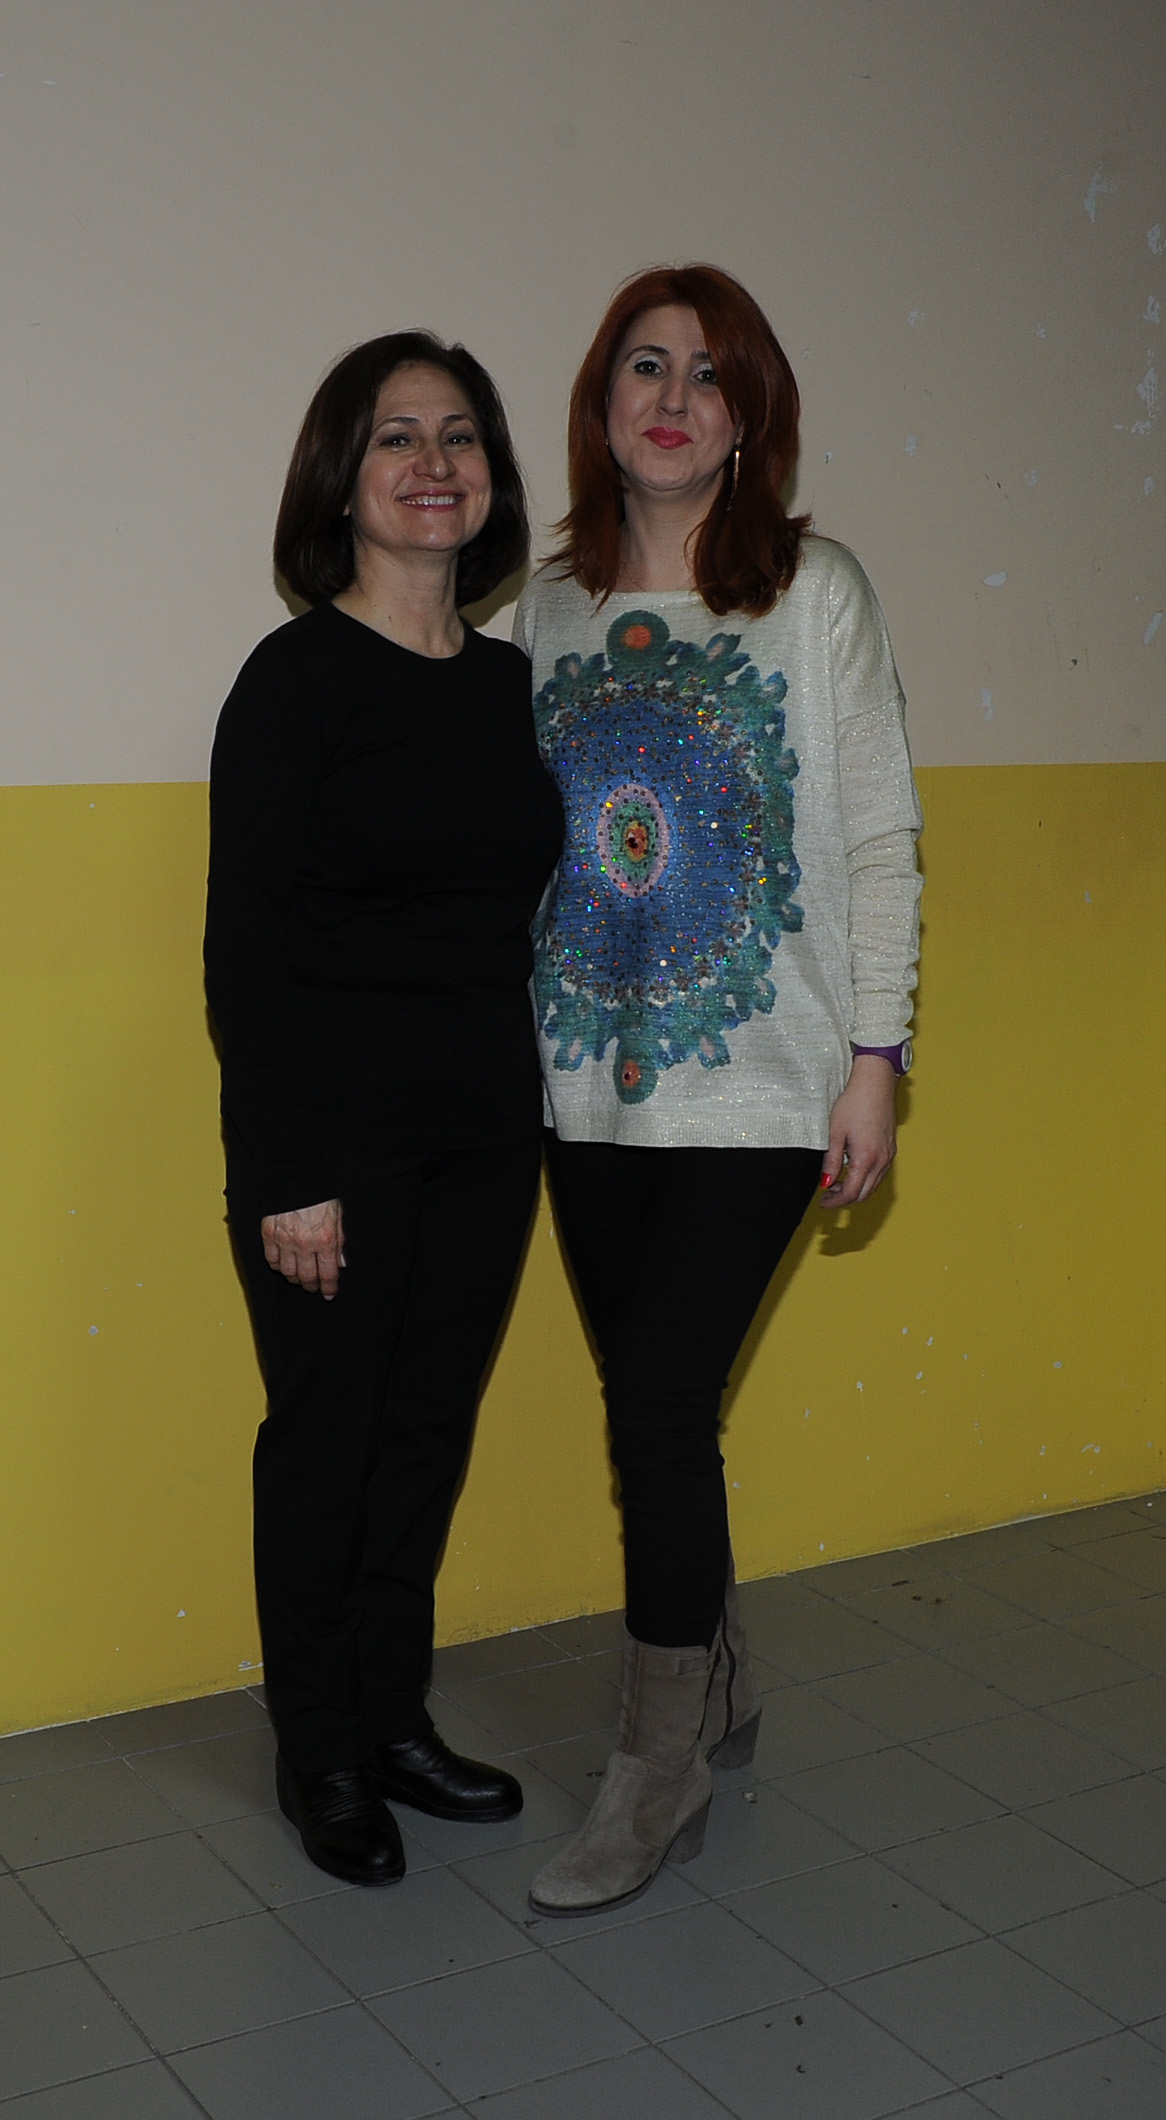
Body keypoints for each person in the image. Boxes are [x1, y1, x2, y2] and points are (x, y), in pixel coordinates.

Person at [513, 265, 922, 1916]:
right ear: (601, 404)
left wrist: (876, 1059)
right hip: (579, 1080)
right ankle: (721, 1680)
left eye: (707, 374)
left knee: (658, 1409)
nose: (673, 399)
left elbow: (879, 836)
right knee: (652, 1405)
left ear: (748, 417)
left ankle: (654, 1767)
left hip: (761, 1082)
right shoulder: (545, 609)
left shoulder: (813, 595)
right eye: (643, 366)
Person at [204, 332, 563, 1886]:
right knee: (328, 1444)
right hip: (331, 1147)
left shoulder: (509, 687)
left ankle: (393, 1714)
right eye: (395, 437)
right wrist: (284, 1171)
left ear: (490, 478)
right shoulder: (294, 684)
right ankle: (321, 1748)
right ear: (340, 483)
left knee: (423, 1435)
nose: (433, 463)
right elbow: (243, 950)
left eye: (459, 435)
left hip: (486, 1129)